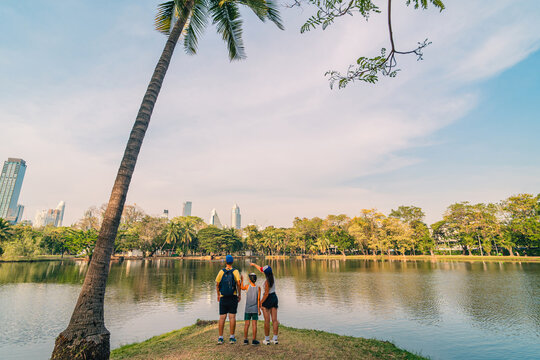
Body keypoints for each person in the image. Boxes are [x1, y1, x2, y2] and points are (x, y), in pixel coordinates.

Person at [250, 263, 279, 345]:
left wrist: (260, 302)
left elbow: (266, 294)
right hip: (274, 297)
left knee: (267, 321)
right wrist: (254, 265)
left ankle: (267, 340)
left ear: (265, 273)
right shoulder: (273, 277)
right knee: (274, 320)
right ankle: (275, 339)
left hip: (267, 299)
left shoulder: (267, 282)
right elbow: (261, 269)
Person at [216, 255, 241, 344]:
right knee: (232, 317)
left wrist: (218, 295)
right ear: (232, 262)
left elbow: (217, 284)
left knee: (222, 317)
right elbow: (238, 284)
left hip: (223, 297)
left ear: (225, 262)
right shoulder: (236, 271)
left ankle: (220, 337)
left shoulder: (221, 272)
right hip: (233, 296)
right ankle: (231, 337)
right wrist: (239, 294)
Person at [240, 272, 261, 345]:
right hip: (255, 309)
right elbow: (258, 300)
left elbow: (241, 287)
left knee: (247, 324)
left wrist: (241, 280)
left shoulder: (247, 286)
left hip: (247, 309)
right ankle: (254, 340)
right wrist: (259, 310)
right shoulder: (258, 288)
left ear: (249, 280)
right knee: (254, 324)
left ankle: (245, 340)